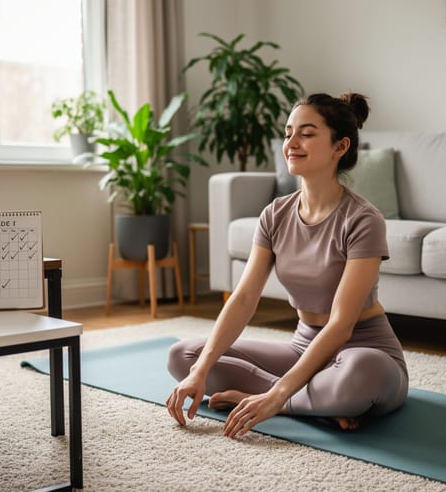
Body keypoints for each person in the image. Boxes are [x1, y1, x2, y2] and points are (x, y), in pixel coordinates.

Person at [166, 92, 408, 438]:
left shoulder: (363, 219)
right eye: (288, 132)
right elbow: (245, 298)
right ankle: (313, 400)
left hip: (363, 352)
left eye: (307, 134)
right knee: (184, 356)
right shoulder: (275, 214)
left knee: (360, 374)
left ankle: (279, 398)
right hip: (302, 348)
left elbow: (341, 327)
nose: (291, 143)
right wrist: (201, 370)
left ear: (340, 147)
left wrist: (278, 395)